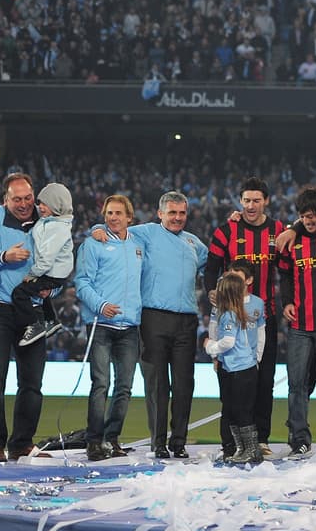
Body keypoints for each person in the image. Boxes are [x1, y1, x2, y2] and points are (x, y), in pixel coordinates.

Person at [93, 190, 207, 459]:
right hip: (153, 318)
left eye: (182, 213)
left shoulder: (194, 243)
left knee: (184, 384)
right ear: (160, 214)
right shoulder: (145, 233)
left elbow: (212, 263)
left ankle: (179, 442)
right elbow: (116, 226)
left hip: (187, 321)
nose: (177, 218)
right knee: (156, 384)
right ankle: (159, 443)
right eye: (172, 213)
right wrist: (98, 226)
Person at [206, 177, 286, 458]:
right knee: (229, 383)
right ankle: (231, 444)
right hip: (232, 319)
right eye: (246, 200)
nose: (251, 206)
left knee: (264, 381)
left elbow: (286, 269)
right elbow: (211, 266)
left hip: (264, 318)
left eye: (257, 200)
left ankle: (260, 441)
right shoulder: (227, 230)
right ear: (240, 202)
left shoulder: (278, 231)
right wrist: (210, 292)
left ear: (266, 201)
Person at [0, 173, 52, 461]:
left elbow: (59, 260)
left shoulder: (46, 222)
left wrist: (53, 289)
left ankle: (22, 443)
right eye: (17, 199)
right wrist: (3, 257)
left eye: (27, 198)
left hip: (32, 310)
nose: (24, 204)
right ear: (5, 199)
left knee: (32, 382)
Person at [74, 194, 142, 461]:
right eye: (109, 213)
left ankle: (112, 439)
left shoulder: (139, 245)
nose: (113, 218)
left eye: (118, 213)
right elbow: (81, 282)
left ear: (129, 218)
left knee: (124, 387)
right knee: (101, 384)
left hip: (130, 327)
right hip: (101, 324)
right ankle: (94, 441)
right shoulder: (93, 244)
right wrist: (101, 305)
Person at [277, 186, 316, 456]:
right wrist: (287, 302)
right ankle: (299, 439)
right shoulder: (293, 241)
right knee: (296, 385)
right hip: (300, 325)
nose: (309, 221)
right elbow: (286, 276)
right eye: (304, 217)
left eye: (313, 216)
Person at [204, 271, 266, 464]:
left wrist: (209, 346)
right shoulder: (234, 313)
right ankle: (243, 448)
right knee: (234, 410)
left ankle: (252, 450)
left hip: (241, 369)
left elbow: (228, 342)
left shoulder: (229, 316)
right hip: (237, 368)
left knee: (242, 411)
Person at [13, 183, 73, 347]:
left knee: (20, 293)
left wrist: (33, 274)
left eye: (45, 203)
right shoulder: (49, 221)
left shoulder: (58, 228)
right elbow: (39, 231)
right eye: (39, 203)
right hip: (50, 272)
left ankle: (33, 325)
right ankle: (52, 320)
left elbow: (47, 257)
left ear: (56, 204)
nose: (40, 207)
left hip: (51, 273)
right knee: (40, 293)